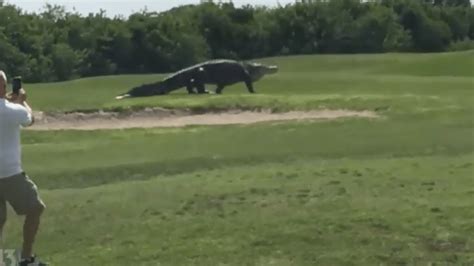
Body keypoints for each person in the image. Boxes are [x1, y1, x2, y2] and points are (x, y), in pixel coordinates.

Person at [0, 70, 47, 266]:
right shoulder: (13, 110)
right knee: (36, 207)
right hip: (9, 172)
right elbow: (30, 119)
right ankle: (27, 258)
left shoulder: (10, 108)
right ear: (3, 87)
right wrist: (22, 101)